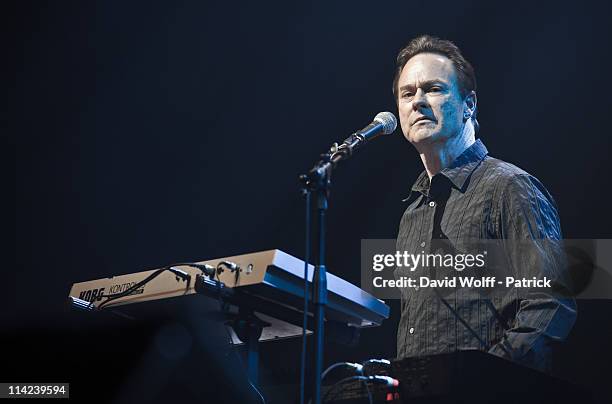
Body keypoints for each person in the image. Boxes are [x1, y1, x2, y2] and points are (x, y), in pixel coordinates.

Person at [392, 35, 576, 372]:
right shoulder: (412, 212)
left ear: (469, 104)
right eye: (407, 93)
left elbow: (550, 305)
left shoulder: (509, 187)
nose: (417, 102)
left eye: (433, 89)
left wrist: (488, 378)